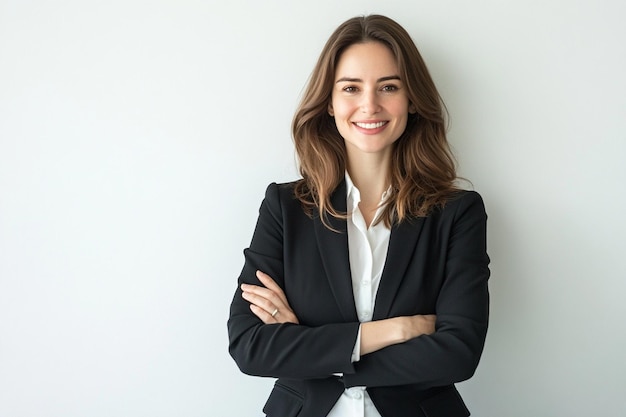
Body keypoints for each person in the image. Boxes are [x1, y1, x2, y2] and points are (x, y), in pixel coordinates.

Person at [227, 14, 490, 417]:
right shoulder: (285, 208)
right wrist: (393, 331)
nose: (370, 105)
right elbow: (250, 347)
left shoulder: (457, 214)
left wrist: (312, 349)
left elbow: (457, 354)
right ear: (329, 104)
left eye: (389, 87)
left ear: (413, 100)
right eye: (351, 87)